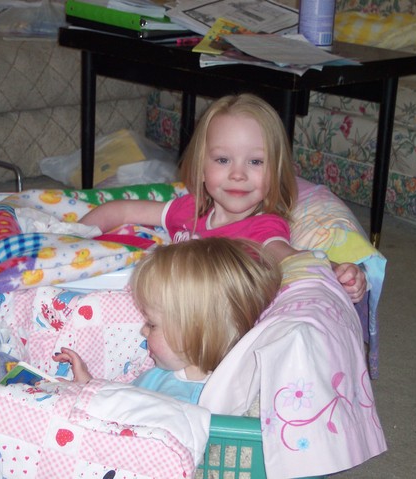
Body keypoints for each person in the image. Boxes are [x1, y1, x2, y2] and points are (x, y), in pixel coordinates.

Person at [80, 93, 365, 303]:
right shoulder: (191, 209)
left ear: (276, 172)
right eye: (223, 159)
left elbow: (291, 257)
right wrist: (75, 237)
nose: (238, 174)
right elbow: (123, 210)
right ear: (201, 167)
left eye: (255, 162)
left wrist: (337, 270)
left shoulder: (263, 228)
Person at [53, 237, 281, 404]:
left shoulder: (207, 399)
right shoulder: (159, 375)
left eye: (152, 324)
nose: (143, 331)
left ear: (196, 330)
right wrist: (88, 386)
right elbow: (120, 404)